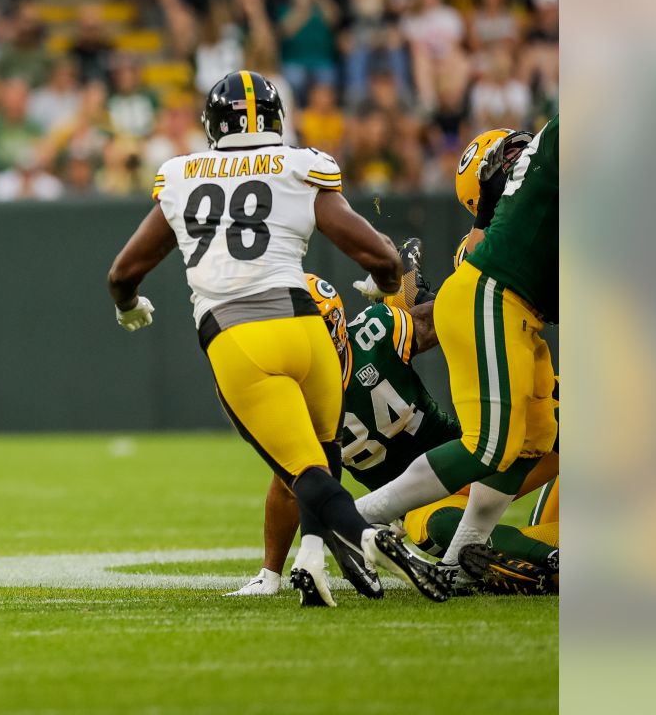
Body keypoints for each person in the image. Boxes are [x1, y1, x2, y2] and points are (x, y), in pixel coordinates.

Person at [106, 70, 448, 607]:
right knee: (322, 453)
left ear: (211, 125)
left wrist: (130, 308)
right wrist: (383, 286)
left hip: (239, 334)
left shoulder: (181, 174)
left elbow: (123, 274)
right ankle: (312, 564)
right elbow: (382, 256)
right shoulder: (298, 165)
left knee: (301, 471)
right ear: (277, 119)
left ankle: (366, 536)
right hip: (306, 327)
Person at [232, 268, 558, 597]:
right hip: (419, 503)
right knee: (442, 529)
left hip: (478, 460)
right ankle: (552, 560)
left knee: (554, 419)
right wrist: (270, 573)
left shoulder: (376, 332)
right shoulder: (291, 396)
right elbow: (289, 487)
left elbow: (446, 321)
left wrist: (421, 298)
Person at [354, 115, 559, 582]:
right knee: (493, 444)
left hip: (516, 319)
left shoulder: (514, 219)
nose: (516, 160)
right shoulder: (503, 228)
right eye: (508, 157)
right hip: (498, 306)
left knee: (533, 438)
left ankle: (461, 560)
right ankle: (353, 518)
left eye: (517, 154)